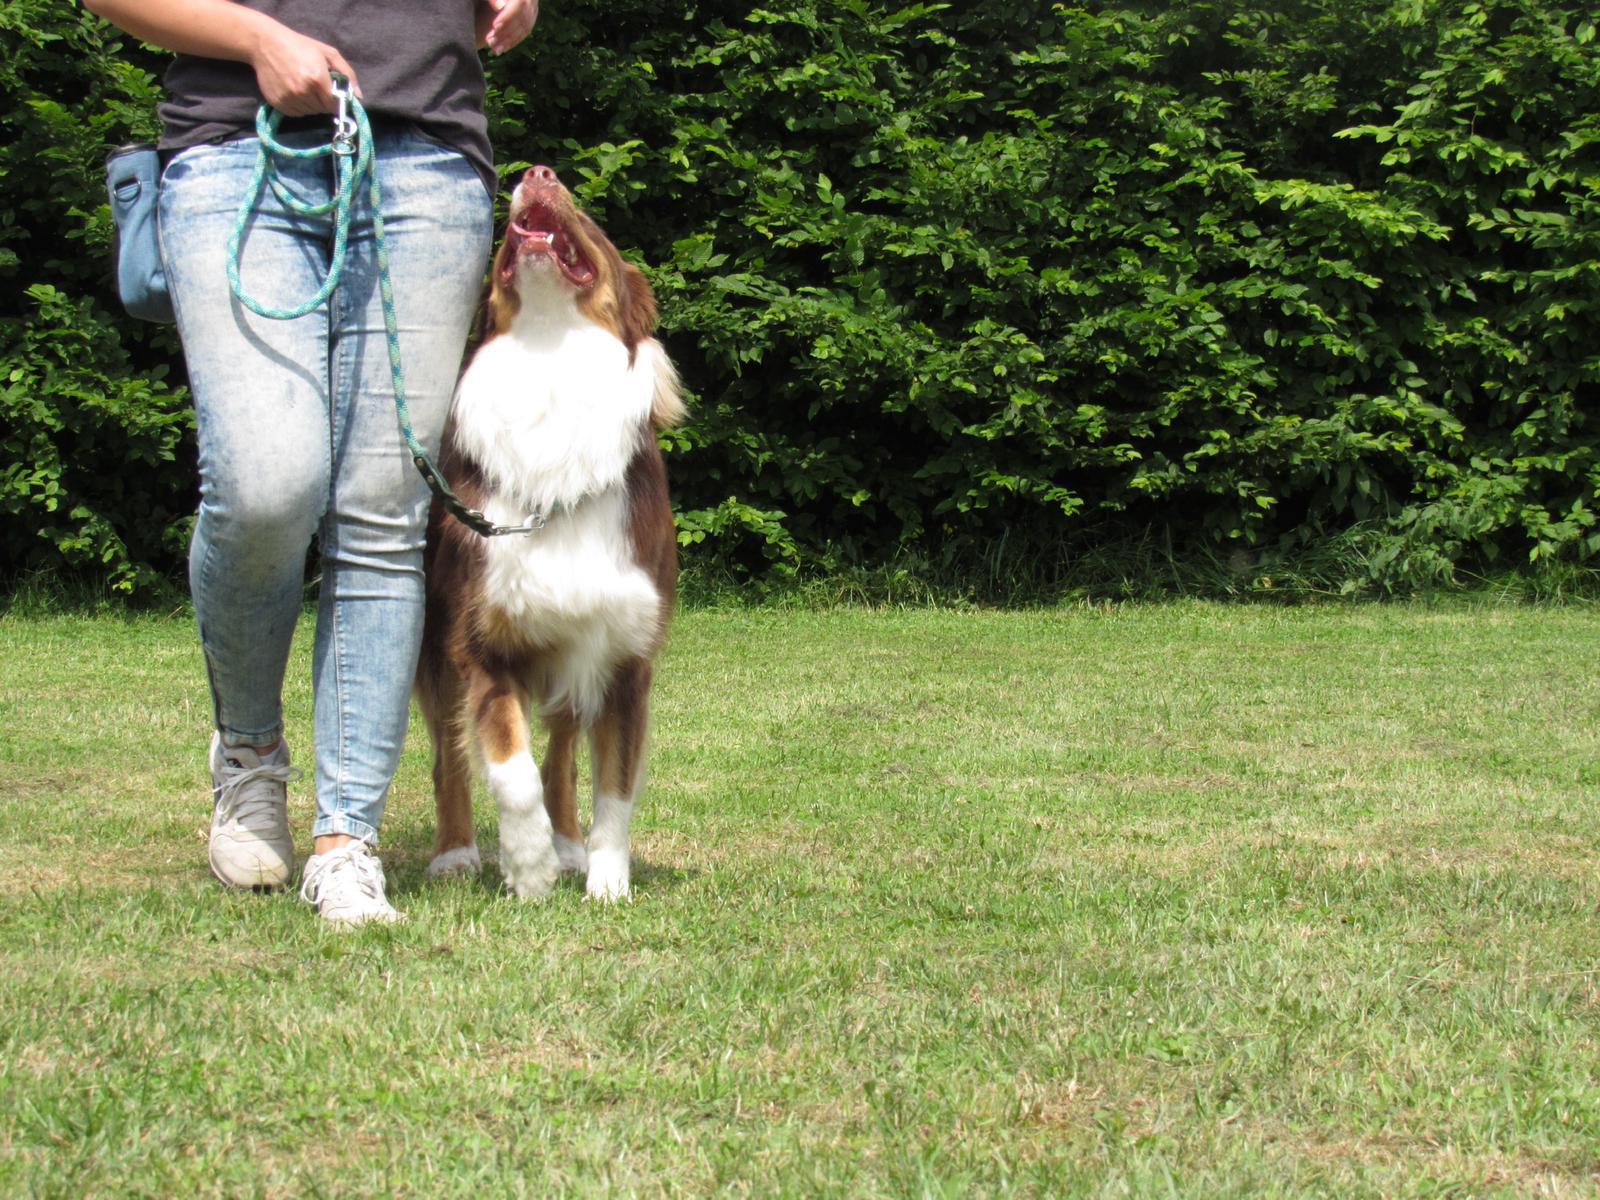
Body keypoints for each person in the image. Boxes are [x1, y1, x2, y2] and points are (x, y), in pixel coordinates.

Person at [83, 0, 538, 925]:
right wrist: (257, 37)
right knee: (264, 486)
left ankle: (346, 840)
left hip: (426, 158)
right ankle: (249, 755)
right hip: (234, 148)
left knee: (383, 512)